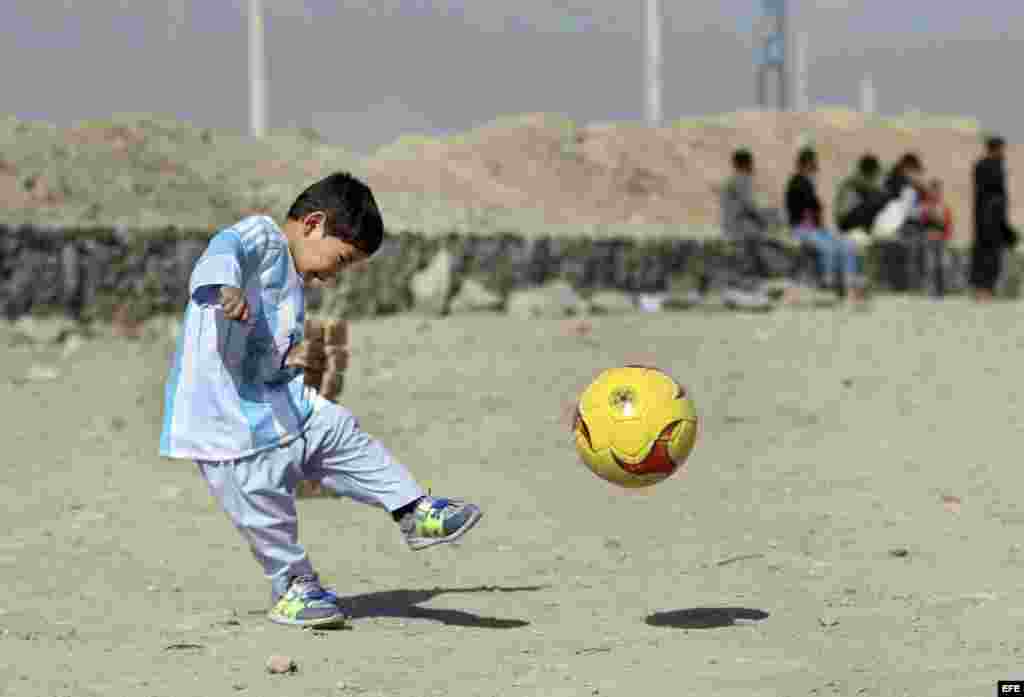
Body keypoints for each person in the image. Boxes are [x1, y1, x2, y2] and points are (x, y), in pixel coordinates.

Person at [159, 172, 483, 629]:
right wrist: (224, 287)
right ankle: (293, 588)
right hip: (224, 423)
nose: (331, 276)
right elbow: (223, 249)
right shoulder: (263, 237)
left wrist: (288, 360)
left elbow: (261, 350)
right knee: (265, 510)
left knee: (338, 429)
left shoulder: (292, 285)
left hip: (274, 402)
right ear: (313, 224)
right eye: (340, 260)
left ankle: (412, 509)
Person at [785, 147, 865, 302]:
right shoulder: (798, 183)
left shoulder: (806, 184)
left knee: (847, 245)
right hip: (803, 230)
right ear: (807, 165)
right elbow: (806, 214)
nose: (815, 170)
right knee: (830, 248)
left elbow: (815, 212)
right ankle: (829, 284)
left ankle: (849, 283)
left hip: (815, 230)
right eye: (813, 166)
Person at [710, 148, 778, 310]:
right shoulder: (742, 180)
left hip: (733, 229)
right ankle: (750, 291)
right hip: (742, 231)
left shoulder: (731, 181)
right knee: (757, 253)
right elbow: (751, 207)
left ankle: (746, 290)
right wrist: (770, 219)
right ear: (748, 164)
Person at [969, 136, 1018, 301]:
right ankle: (984, 290)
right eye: (1002, 149)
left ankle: (983, 290)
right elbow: (993, 194)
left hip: (985, 218)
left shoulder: (982, 166)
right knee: (989, 256)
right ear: (995, 149)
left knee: (985, 255)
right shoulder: (992, 166)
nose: (1004, 153)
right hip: (990, 219)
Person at [919, 178, 954, 297]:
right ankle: (931, 289)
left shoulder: (944, 207)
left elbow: (948, 224)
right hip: (929, 239)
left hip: (941, 240)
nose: (935, 193)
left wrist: (947, 236)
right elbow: (922, 223)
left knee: (943, 265)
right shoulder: (925, 206)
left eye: (937, 190)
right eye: (933, 190)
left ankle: (942, 290)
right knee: (930, 265)